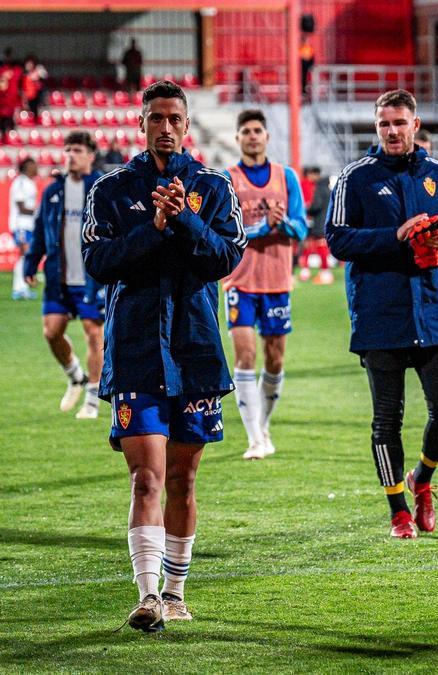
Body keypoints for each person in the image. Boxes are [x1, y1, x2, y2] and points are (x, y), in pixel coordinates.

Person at [82, 80, 245, 632]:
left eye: (174, 118)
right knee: (146, 478)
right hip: (135, 350)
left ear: (187, 124)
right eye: (156, 118)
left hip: (196, 348)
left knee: (184, 478)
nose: (166, 127)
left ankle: (176, 592)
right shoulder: (112, 190)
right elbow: (100, 262)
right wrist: (153, 226)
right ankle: (148, 595)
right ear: (142, 124)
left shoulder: (213, 186)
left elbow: (224, 258)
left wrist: (185, 219)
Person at [325, 89, 438, 539]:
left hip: (436, 313)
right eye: (384, 123)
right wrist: (395, 235)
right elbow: (337, 240)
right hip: (380, 315)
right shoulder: (356, 178)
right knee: (387, 417)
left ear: (415, 124)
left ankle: (422, 479)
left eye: (399, 123)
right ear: (376, 127)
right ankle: (398, 510)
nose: (392, 131)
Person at [223, 110, 308, 460]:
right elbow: (225, 231)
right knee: (245, 355)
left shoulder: (285, 177)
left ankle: (263, 424)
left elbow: (303, 228)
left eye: (258, 130)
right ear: (238, 138)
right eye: (246, 131)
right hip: (239, 280)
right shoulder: (227, 179)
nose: (253, 136)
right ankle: (254, 438)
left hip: (275, 280)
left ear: (267, 137)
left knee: (275, 359)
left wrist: (283, 223)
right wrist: (260, 228)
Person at [23, 131, 106, 419]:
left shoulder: (101, 188)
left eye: (78, 150)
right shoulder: (53, 190)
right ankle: (75, 376)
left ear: (91, 156)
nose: (71, 155)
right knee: (51, 332)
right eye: (68, 149)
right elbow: (40, 231)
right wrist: (31, 264)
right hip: (59, 276)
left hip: (91, 278)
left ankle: (93, 401)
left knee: (94, 335)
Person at [9, 157, 38, 300]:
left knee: (25, 256)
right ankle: (19, 289)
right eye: (33, 165)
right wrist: (38, 211)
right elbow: (21, 207)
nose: (36, 168)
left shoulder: (29, 182)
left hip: (28, 225)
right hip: (21, 224)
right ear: (27, 167)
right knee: (24, 255)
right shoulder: (20, 182)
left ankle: (22, 287)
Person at [299, 166, 333, 284]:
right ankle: (313, 271)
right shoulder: (328, 189)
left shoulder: (318, 188)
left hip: (315, 221)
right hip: (322, 221)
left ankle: (320, 271)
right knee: (312, 244)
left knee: (314, 244)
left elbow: (315, 205)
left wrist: (308, 209)